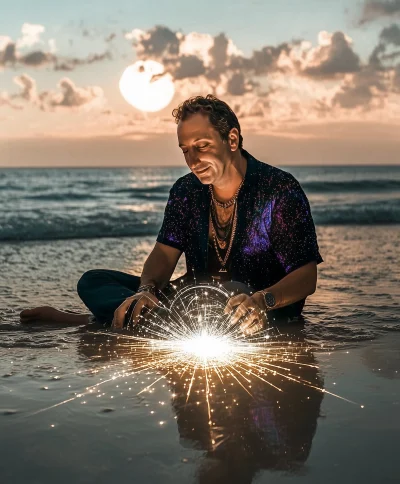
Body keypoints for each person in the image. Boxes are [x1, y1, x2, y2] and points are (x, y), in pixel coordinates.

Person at [20, 94, 323, 334]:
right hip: (194, 299)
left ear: (231, 140)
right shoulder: (186, 191)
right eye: (185, 149)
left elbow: (306, 276)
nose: (192, 159)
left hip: (256, 309)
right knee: (93, 281)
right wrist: (146, 290)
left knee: (232, 293)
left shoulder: (279, 189)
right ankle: (145, 315)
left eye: (201, 146)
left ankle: (88, 322)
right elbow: (164, 255)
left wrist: (263, 300)